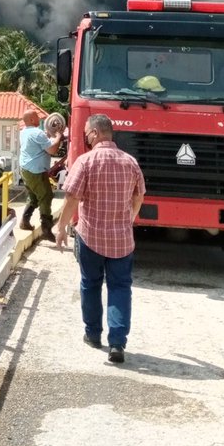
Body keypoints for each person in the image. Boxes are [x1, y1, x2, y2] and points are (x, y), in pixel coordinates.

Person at [56, 114, 145, 365]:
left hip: (91, 236)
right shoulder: (130, 162)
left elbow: (71, 198)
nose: (85, 136)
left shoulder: (85, 162)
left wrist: (61, 227)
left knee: (90, 284)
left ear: (95, 133)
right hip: (122, 240)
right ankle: (117, 342)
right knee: (120, 287)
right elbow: (139, 197)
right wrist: (129, 218)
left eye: (86, 132)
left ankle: (93, 334)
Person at [18, 109, 65, 241]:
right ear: (32, 120)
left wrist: (50, 136)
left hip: (25, 170)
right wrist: (58, 137)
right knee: (46, 195)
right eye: (37, 117)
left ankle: (25, 221)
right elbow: (52, 150)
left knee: (34, 196)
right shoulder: (37, 133)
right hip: (36, 171)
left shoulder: (24, 132)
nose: (39, 119)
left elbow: (41, 144)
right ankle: (46, 229)